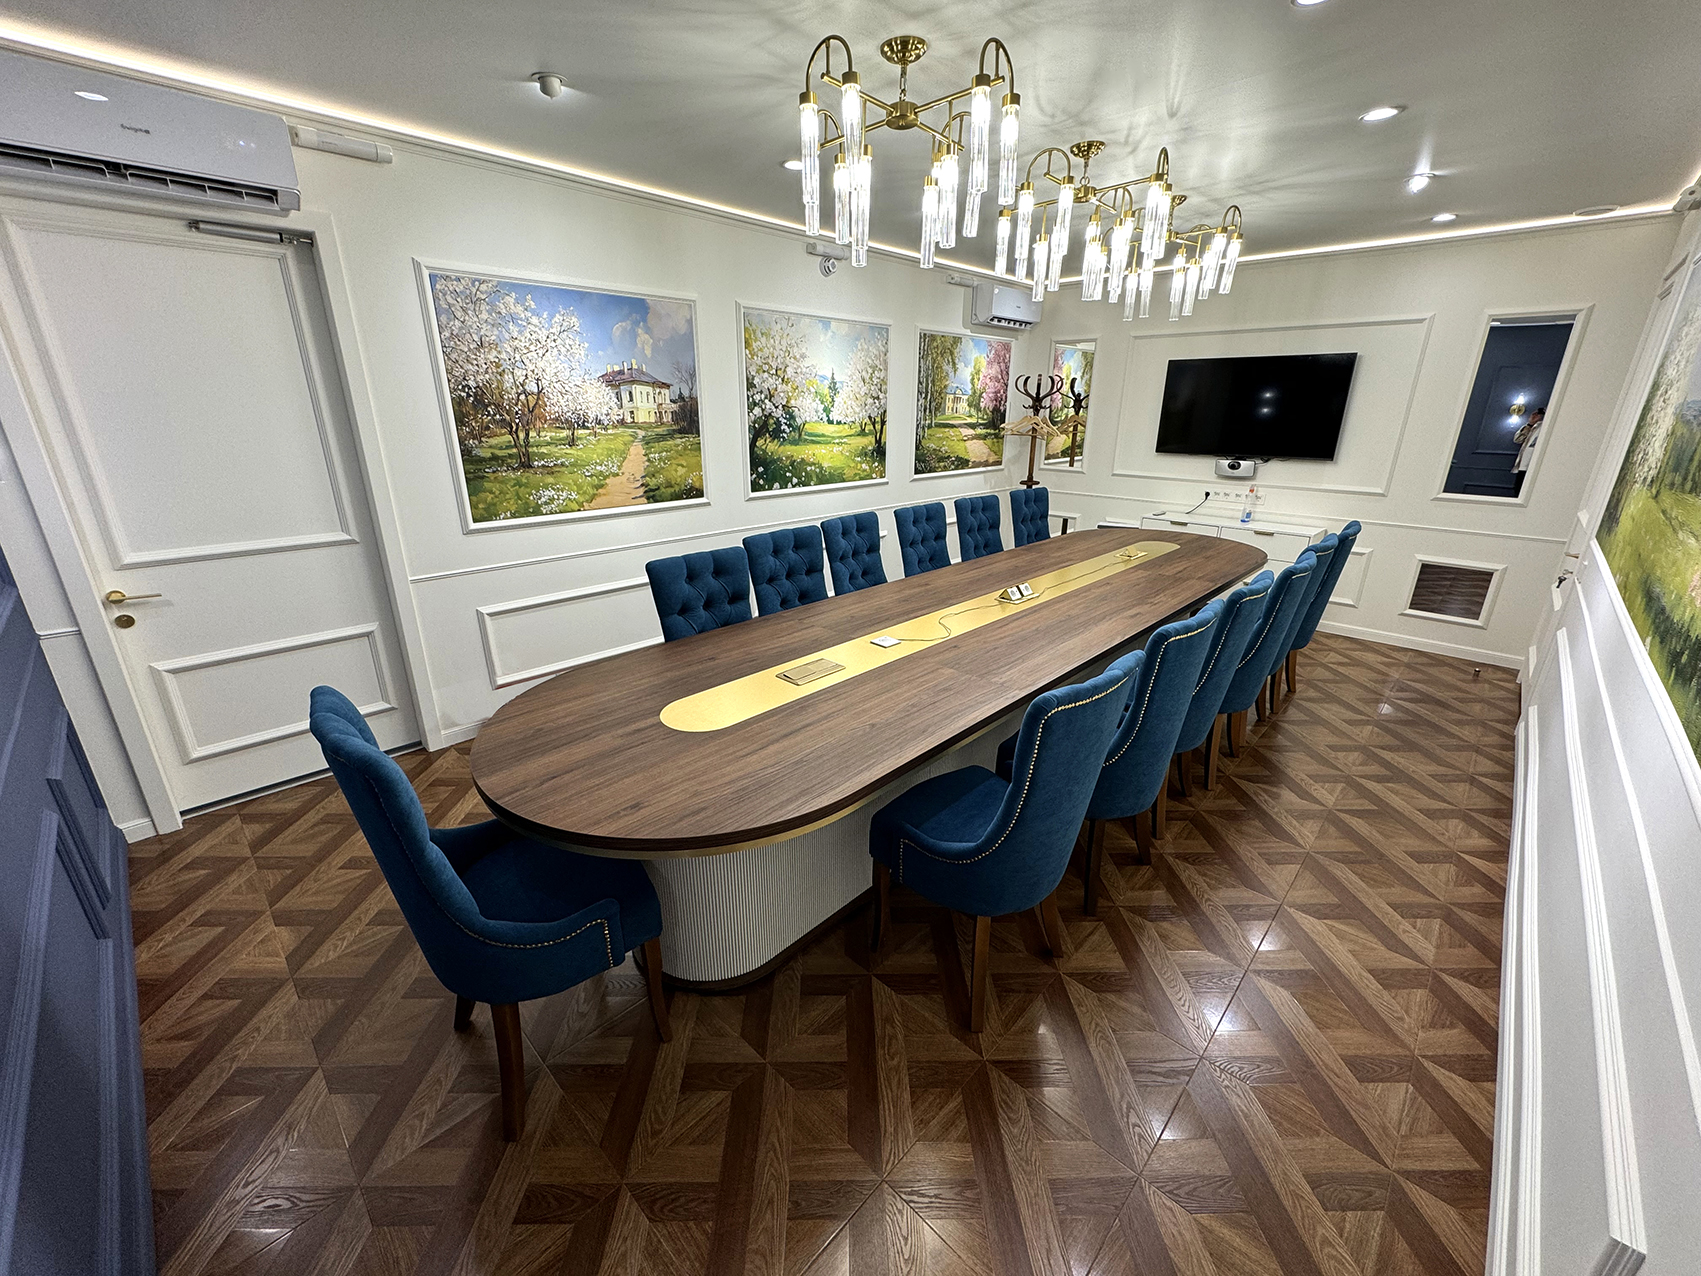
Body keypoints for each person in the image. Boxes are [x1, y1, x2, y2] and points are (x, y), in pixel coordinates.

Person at [1513, 407, 1545, 473]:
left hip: (1536, 465)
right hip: (1523, 465)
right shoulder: (1534, 426)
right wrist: (1530, 424)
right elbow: (1518, 439)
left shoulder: (1545, 427)